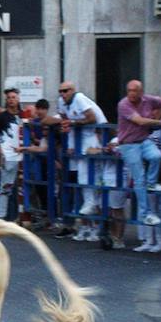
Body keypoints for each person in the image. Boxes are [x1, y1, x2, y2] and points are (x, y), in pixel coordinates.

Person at [47, 81, 109, 241]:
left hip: (95, 137)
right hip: (81, 140)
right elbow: (63, 120)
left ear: (73, 91)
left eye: (66, 90)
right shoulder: (62, 102)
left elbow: (91, 118)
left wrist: (73, 123)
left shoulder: (79, 99)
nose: (62, 93)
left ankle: (97, 224)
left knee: (94, 178)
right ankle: (88, 221)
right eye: (60, 91)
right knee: (82, 177)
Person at [112, 80, 161, 227]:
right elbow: (140, 121)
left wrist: (159, 117)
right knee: (139, 177)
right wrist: (160, 123)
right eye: (129, 90)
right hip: (128, 144)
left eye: (134, 91)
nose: (131, 94)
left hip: (143, 140)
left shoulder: (148, 100)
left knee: (157, 156)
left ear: (141, 92)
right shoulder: (124, 104)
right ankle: (145, 214)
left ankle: (152, 183)